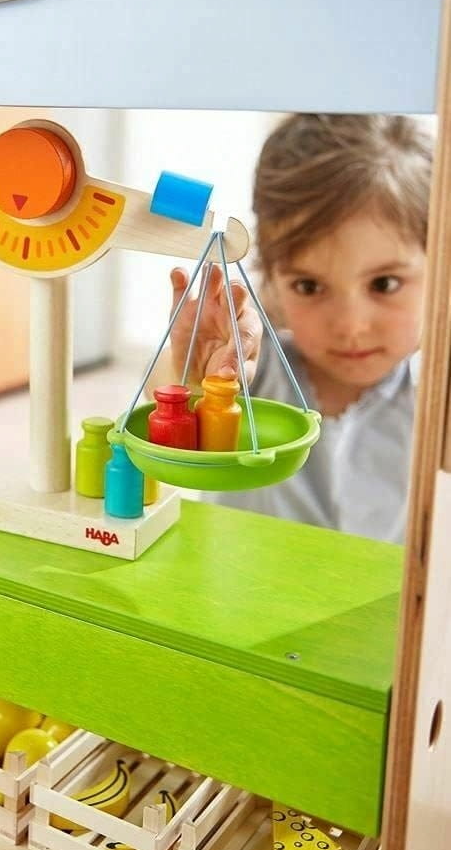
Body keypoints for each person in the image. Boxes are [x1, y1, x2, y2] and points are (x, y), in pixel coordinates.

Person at [153, 114, 433, 542]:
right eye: (309, 286)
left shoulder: (432, 397)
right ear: (273, 278)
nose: (351, 326)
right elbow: (165, 391)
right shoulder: (251, 371)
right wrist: (192, 376)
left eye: (385, 284)